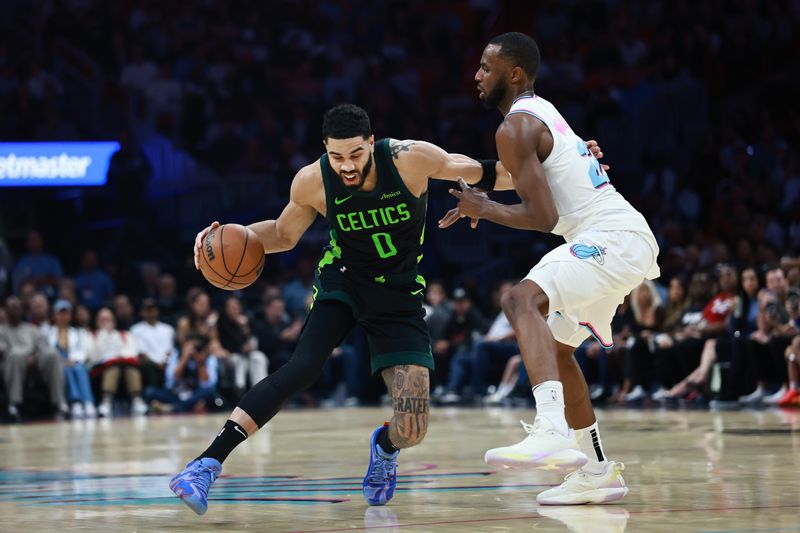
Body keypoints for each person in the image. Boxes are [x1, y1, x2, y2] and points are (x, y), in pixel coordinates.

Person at [169, 103, 605, 515]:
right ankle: (206, 465)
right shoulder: (311, 181)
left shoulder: (410, 159)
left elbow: (492, 173)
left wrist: (564, 162)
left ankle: (386, 447)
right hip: (344, 281)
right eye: (338, 156)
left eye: (356, 153)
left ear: (372, 142)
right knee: (302, 367)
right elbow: (283, 234)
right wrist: (228, 235)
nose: (348, 165)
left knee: (413, 427)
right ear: (326, 150)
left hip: (398, 295)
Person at [440, 33, 659, 505]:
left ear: (513, 73)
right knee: (558, 351)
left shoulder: (514, 128)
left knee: (520, 299)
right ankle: (598, 471)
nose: (476, 76)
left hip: (611, 237)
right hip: (617, 238)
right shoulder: (542, 110)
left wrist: (485, 206)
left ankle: (552, 429)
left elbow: (543, 217)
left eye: (485, 67)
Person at [0, 296, 67, 422]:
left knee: (52, 354)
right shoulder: (1, 330)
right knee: (15, 355)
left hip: (36, 361)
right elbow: (4, 351)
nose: (15, 310)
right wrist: (27, 354)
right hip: (12, 364)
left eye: (17, 308)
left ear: (22, 310)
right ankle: (14, 404)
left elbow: (43, 347)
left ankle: (59, 403)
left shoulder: (32, 329)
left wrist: (34, 357)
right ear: (6, 310)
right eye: (11, 308)